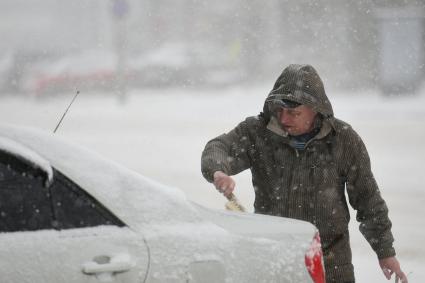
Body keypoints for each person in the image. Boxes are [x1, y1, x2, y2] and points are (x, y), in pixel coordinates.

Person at [201, 64, 407, 283]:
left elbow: (368, 200)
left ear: (315, 108)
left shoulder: (343, 140)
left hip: (331, 266)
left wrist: (385, 252)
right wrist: (217, 171)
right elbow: (218, 147)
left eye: (293, 112)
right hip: (274, 262)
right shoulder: (258, 133)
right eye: (280, 110)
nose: (284, 119)